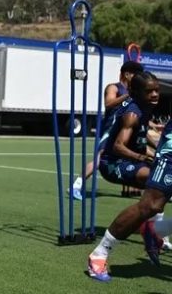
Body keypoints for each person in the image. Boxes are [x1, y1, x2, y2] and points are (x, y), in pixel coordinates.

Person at [86, 71, 164, 280]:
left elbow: (140, 138)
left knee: (157, 195)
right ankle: (102, 253)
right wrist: (143, 157)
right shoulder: (132, 113)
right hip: (114, 164)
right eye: (150, 91)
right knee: (155, 186)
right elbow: (119, 146)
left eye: (157, 90)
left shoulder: (146, 108)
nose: (156, 94)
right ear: (137, 92)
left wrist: (155, 152)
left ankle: (153, 229)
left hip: (130, 161)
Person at [70, 60, 144, 200]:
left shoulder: (134, 92)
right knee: (99, 159)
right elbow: (108, 103)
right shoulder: (114, 88)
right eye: (136, 74)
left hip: (123, 131)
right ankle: (76, 186)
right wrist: (129, 95)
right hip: (110, 129)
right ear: (127, 74)